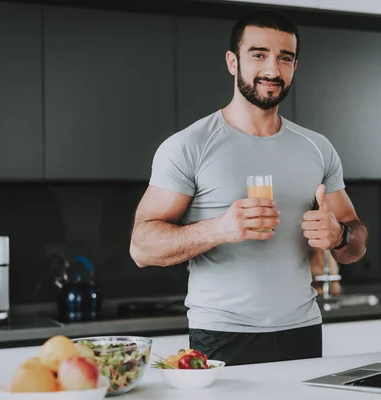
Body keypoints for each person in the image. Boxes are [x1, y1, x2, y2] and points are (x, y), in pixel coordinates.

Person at [129, 9, 368, 366]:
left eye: (284, 58)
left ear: (294, 67)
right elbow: (141, 247)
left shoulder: (318, 148)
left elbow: (357, 243)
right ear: (232, 61)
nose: (272, 70)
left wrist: (339, 237)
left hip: (302, 330)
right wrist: (220, 228)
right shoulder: (189, 145)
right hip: (221, 334)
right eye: (258, 55)